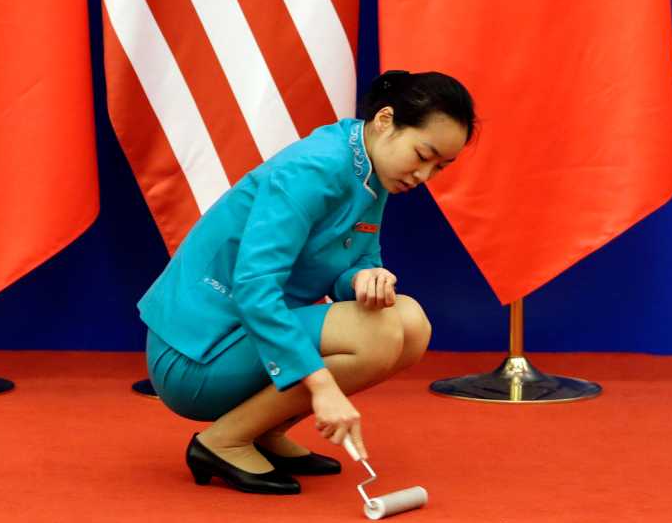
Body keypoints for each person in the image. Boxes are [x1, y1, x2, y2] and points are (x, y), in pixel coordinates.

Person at [139, 69, 477, 494]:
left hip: (246, 339)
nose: (424, 176)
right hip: (195, 356)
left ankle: (263, 430)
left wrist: (364, 277)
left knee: (411, 324)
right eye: (423, 155)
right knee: (380, 334)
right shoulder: (315, 167)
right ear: (385, 120)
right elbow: (255, 289)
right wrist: (322, 386)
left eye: (439, 167)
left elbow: (356, 258)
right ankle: (222, 441)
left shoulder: (373, 168)